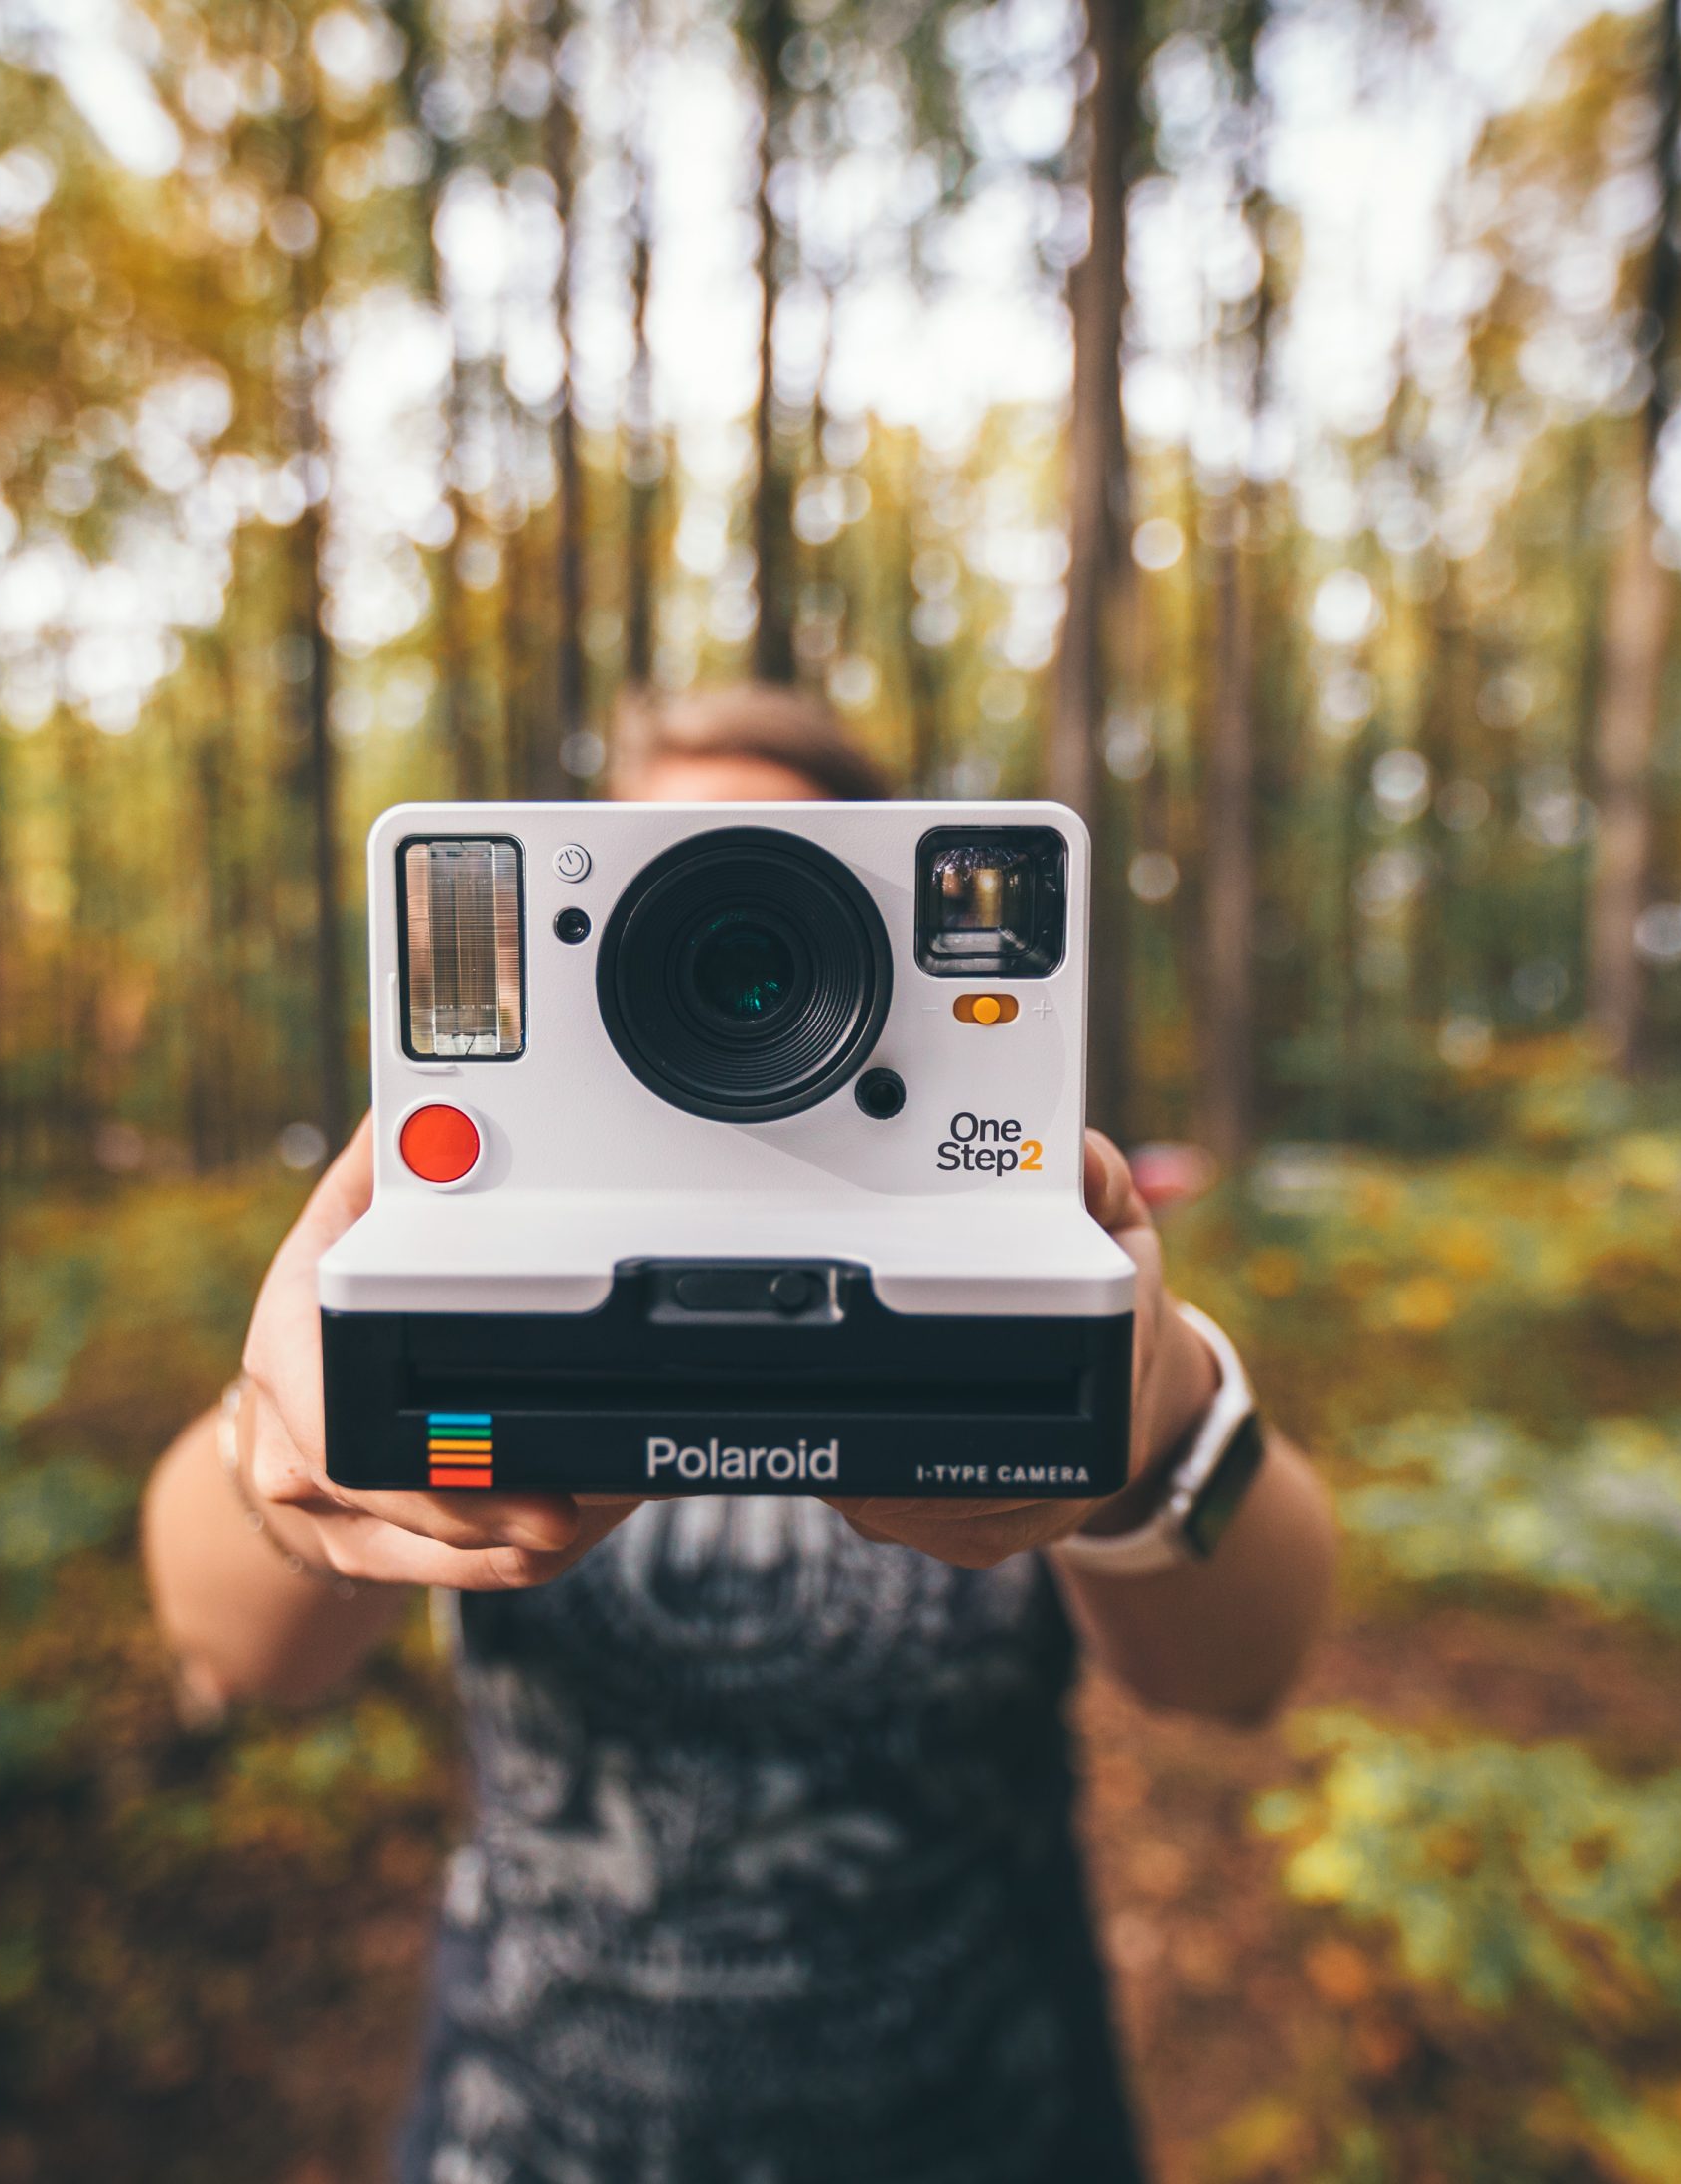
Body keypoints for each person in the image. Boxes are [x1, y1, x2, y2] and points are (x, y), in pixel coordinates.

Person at [143, 683, 1338, 2183]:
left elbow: (1237, 1676)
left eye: (782, 906)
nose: (733, 974)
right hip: (542, 2127)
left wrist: (1152, 1410)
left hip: (987, 2119)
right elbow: (241, 1654)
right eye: (666, 893)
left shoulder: (1041, 1228)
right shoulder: (450, 1195)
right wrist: (292, 1444)